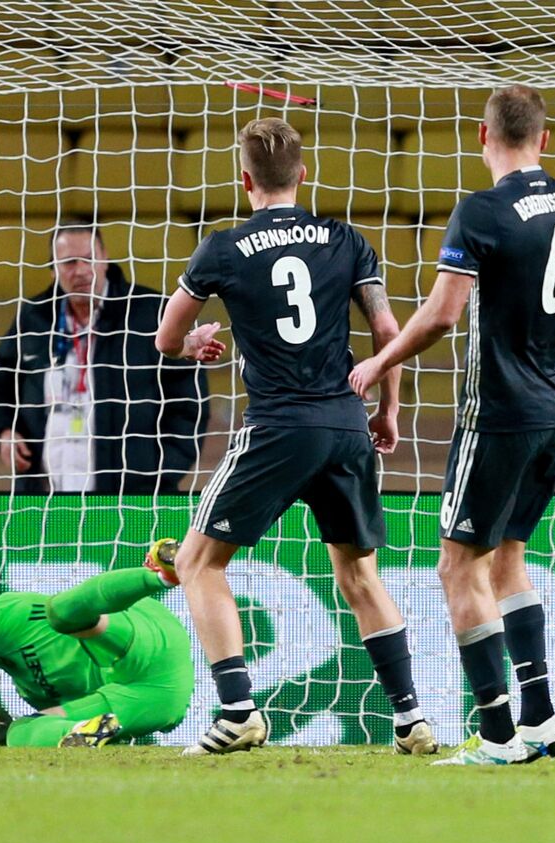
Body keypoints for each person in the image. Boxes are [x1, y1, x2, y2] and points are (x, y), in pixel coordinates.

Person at [349, 85, 555, 766]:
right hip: (551, 410)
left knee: (456, 566)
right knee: (509, 560)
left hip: (495, 416)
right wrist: (548, 355)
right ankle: (541, 718)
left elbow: (443, 316)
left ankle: (498, 734)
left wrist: (380, 359)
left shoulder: (482, 210)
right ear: (546, 137)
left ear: (482, 135)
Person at [156, 118, 439, 757]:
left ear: (245, 179)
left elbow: (166, 338)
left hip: (280, 426)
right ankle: (411, 717)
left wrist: (195, 342)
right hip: (345, 425)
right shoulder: (346, 239)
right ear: (303, 175)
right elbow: (387, 331)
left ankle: (237, 711)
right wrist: (388, 409)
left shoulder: (222, 248)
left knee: (198, 562)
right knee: (360, 574)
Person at [0, 539, 192, 748]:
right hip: (158, 697)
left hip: (144, 637)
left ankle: (159, 574)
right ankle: (72, 738)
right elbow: (77, 708)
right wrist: (2, 732)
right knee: (22, 731)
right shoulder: (28, 686)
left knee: (61, 613)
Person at [0, 225, 210, 494]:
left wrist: (159, 470)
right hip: (42, 495)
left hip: (131, 496)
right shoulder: (33, 318)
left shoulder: (150, 313)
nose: (80, 270)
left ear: (104, 259)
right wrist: (3, 431)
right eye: (68, 262)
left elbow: (188, 399)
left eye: (88, 258)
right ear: (53, 269)